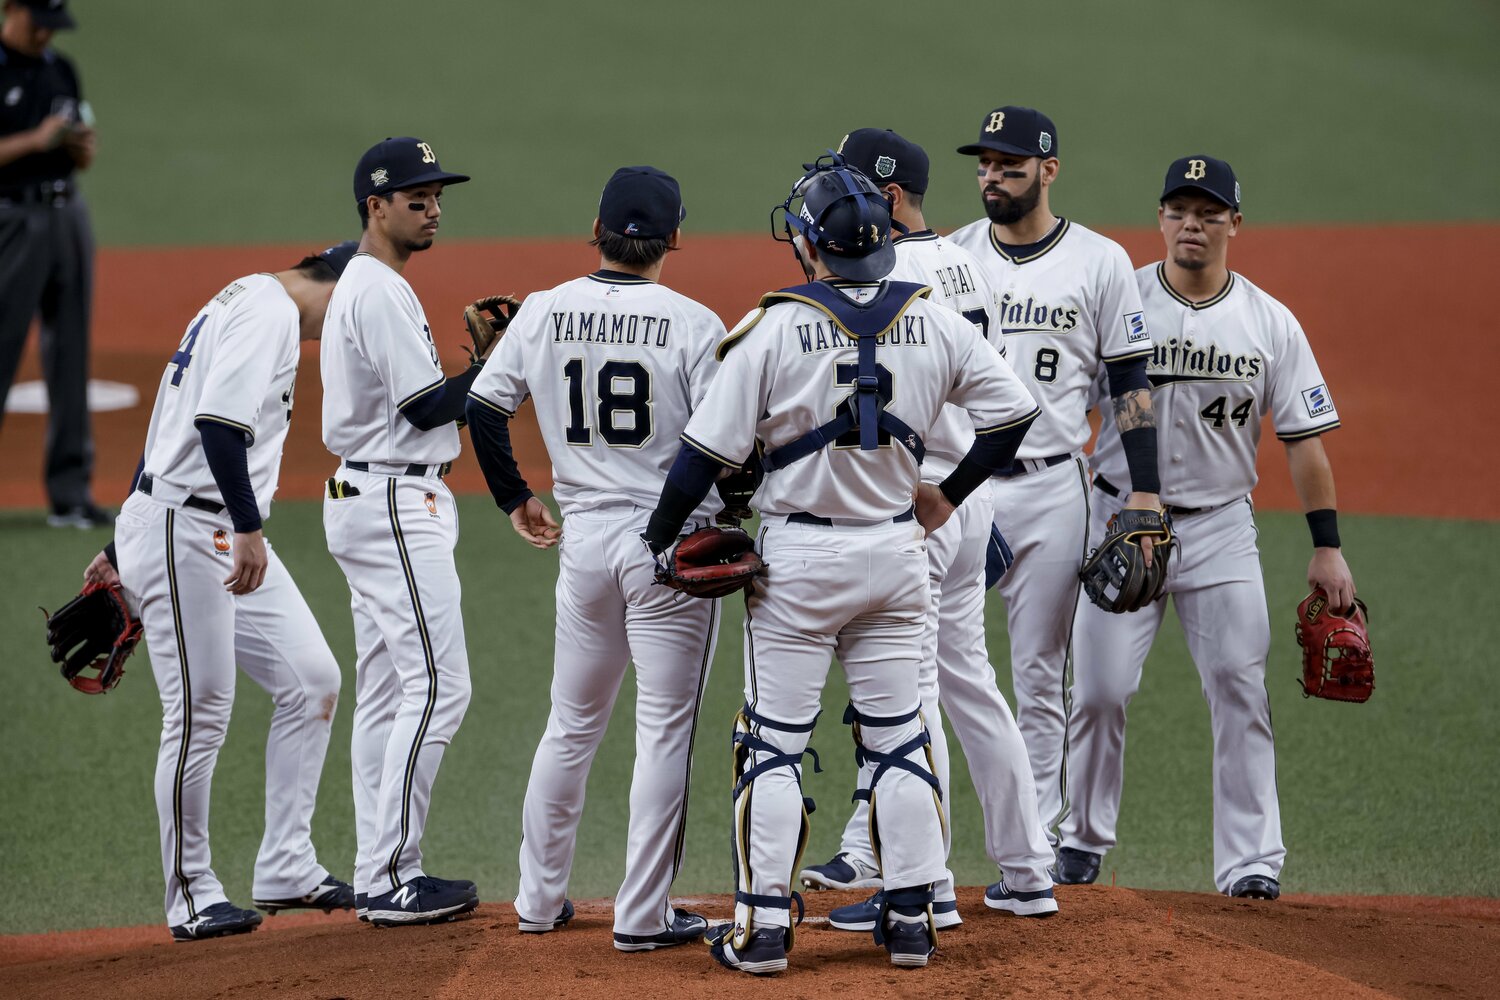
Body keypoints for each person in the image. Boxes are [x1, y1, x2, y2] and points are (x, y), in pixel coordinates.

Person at [644, 155, 1039, 974]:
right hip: (898, 553)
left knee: (773, 745)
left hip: (800, 566)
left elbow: (701, 458)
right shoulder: (934, 320)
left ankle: (760, 932)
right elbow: (1014, 416)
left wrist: (659, 536)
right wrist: (947, 496)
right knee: (898, 738)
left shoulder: (773, 325)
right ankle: (912, 919)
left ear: (810, 248)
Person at [1061, 156, 1355, 899]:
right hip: (1120, 521)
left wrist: (1327, 545)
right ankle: (1081, 840)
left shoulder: (1268, 321)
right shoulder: (1117, 299)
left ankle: (1251, 862)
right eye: (1179, 210)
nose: (1193, 224)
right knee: (1096, 690)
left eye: (1209, 212)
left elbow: (1305, 439)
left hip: (1221, 526)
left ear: (1234, 223)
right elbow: (1064, 402)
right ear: (1161, 218)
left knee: (1238, 686)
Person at [465, 166, 729, 951]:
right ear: (674, 237)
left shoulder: (543, 310)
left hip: (581, 543)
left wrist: (516, 497)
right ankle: (644, 916)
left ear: (598, 229)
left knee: (571, 724)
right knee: (664, 732)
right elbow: (725, 448)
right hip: (667, 546)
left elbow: (483, 405)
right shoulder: (693, 322)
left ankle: (538, 900)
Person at [799, 130, 1058, 926]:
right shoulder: (961, 260)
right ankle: (1026, 870)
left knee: (911, 699)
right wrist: (964, 494)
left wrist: (940, 495)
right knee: (971, 685)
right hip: (966, 492)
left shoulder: (890, 272)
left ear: (887, 194)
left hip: (915, 502)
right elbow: (1000, 399)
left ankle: (928, 886)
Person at [84, 241, 360, 941]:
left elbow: (169, 425)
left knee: (312, 679)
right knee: (201, 711)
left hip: (196, 523)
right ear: (333, 284)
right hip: (189, 527)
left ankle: (287, 864)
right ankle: (190, 894)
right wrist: (248, 526)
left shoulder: (245, 298)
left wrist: (120, 543)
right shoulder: (265, 314)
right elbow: (214, 427)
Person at [947, 107, 1164, 877]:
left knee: (1039, 672)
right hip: (961, 488)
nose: (992, 177)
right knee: (920, 660)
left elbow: (1131, 382)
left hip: (1050, 488)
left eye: (1008, 165)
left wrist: (1145, 490)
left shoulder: (1100, 261)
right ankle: (891, 844)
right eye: (984, 164)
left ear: (1048, 170)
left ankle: (1032, 845)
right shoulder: (950, 256)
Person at [322, 137, 484, 927]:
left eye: (436, 196)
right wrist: (495, 365)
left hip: (370, 497)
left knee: (388, 693)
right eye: (415, 198)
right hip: (391, 501)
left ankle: (376, 868)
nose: (432, 208)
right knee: (439, 685)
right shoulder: (378, 289)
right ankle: (392, 874)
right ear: (374, 206)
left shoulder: (371, 283)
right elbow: (426, 407)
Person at [0, 0, 107, 527]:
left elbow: (74, 143)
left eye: (53, 24)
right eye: (38, 20)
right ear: (9, 8)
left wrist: (80, 150)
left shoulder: (60, 68)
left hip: (68, 214)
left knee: (71, 353)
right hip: (10, 220)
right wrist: (32, 141)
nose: (46, 33)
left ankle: (70, 492)